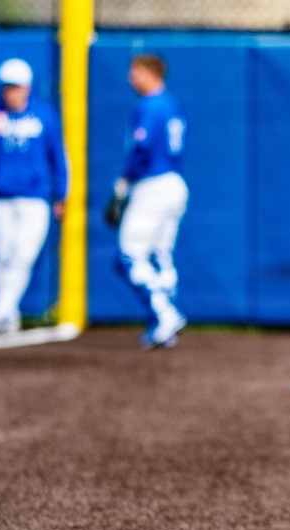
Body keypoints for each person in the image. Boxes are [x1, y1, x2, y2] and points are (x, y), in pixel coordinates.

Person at [0, 58, 68, 334]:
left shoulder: (44, 116)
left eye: (15, 87)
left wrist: (62, 194)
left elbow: (59, 157)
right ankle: (8, 314)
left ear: (27, 87)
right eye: (6, 87)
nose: (10, 92)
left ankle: (0, 311)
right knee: (4, 256)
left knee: (23, 255)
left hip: (34, 198)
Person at [113, 53, 188, 349]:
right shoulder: (173, 105)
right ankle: (164, 325)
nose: (131, 78)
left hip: (152, 183)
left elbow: (141, 148)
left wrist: (123, 182)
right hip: (175, 183)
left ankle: (165, 315)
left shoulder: (150, 105)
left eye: (136, 71)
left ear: (150, 73)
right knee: (160, 255)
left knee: (128, 256)